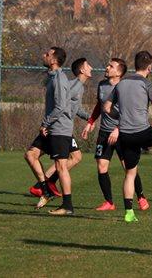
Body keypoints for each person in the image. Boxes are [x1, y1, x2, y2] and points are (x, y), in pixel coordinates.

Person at [104, 50, 152, 223]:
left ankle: (129, 212)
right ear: (149, 67)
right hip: (141, 130)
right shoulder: (147, 84)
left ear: (135, 64)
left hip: (125, 135)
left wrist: (119, 117)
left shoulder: (120, 84)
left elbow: (106, 108)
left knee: (130, 174)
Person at [81, 57, 149, 211]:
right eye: (107, 65)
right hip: (104, 132)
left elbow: (131, 112)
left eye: (110, 66)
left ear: (119, 72)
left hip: (124, 132)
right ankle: (109, 202)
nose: (107, 67)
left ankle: (141, 196)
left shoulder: (126, 87)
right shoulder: (102, 85)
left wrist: (118, 129)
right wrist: (91, 122)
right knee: (101, 165)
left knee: (128, 167)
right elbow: (100, 105)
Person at [28, 47, 81, 207]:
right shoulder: (52, 77)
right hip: (52, 127)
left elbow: (60, 106)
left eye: (47, 54)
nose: (43, 55)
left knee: (62, 166)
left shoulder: (58, 78)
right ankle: (46, 191)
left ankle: (67, 205)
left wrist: (46, 123)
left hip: (58, 128)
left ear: (53, 59)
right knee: (30, 155)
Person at [39, 56, 92, 215]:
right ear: (82, 70)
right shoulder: (74, 86)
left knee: (76, 157)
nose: (91, 67)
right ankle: (49, 187)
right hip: (61, 129)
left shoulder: (80, 86)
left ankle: (48, 183)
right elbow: (63, 106)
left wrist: (89, 117)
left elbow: (74, 108)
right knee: (61, 164)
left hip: (63, 128)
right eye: (88, 64)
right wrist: (49, 123)